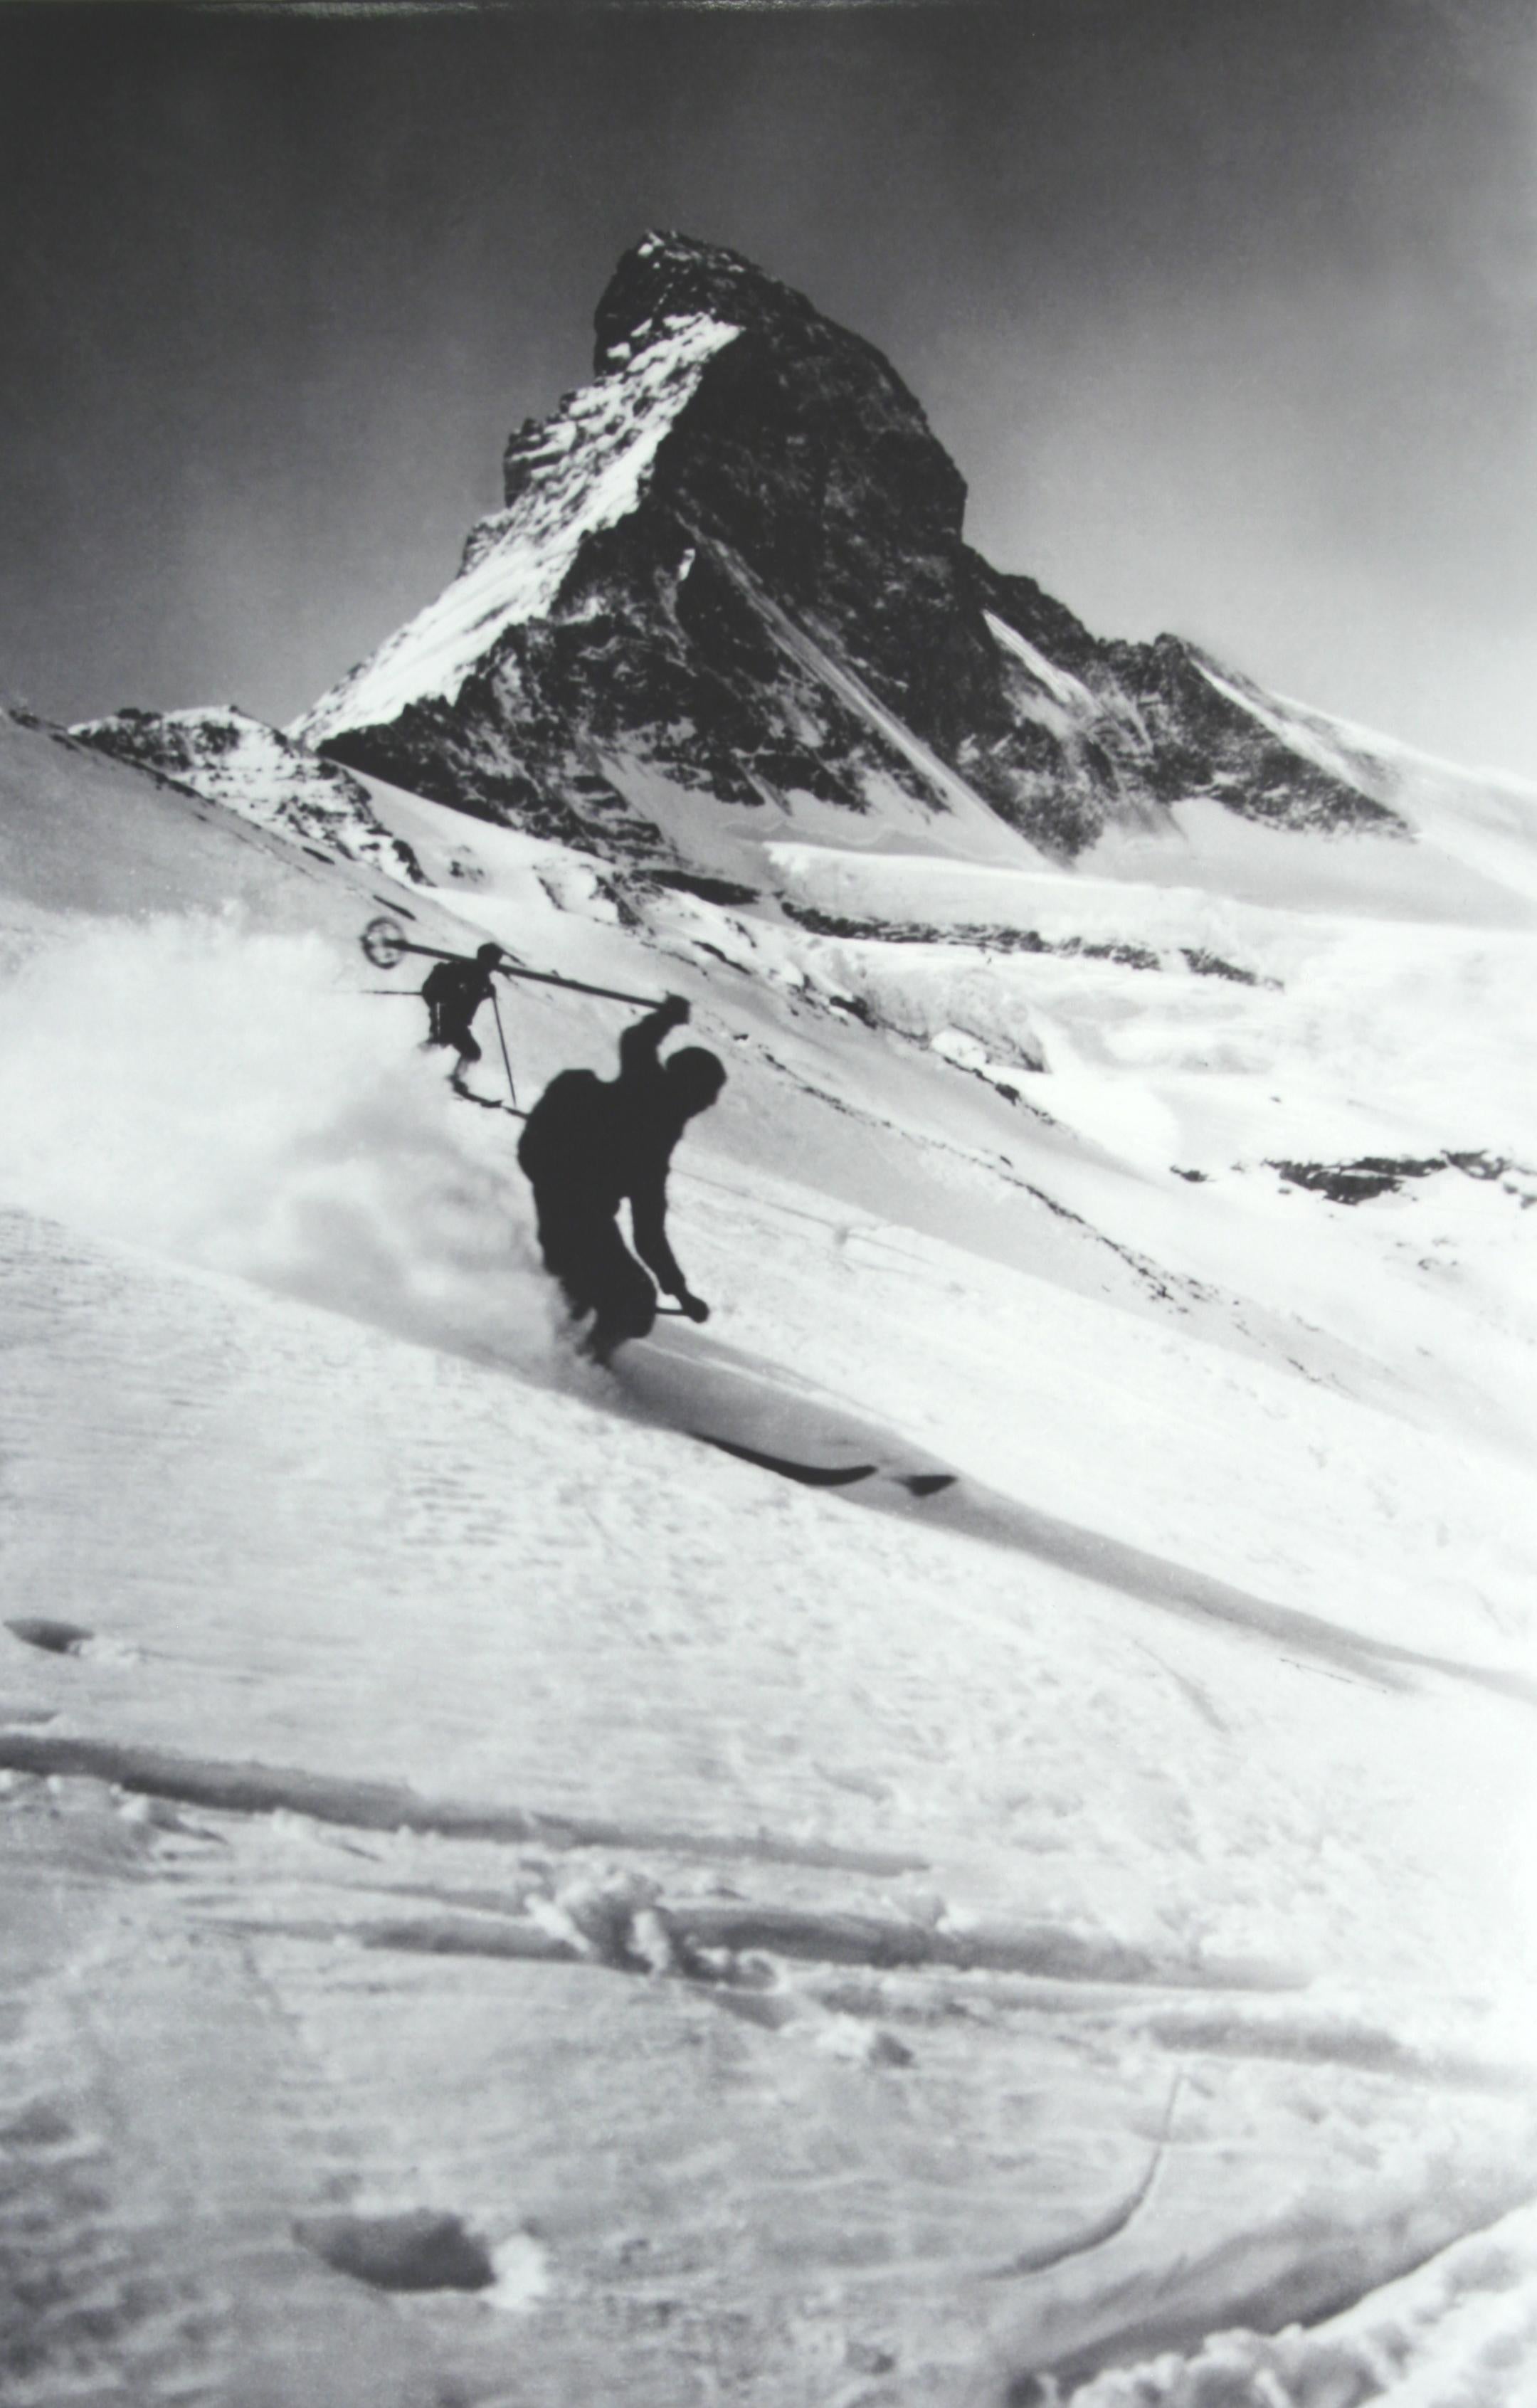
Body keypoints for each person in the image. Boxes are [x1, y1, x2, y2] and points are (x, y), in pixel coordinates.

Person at [517, 994, 725, 1362]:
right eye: (708, 1093)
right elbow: (648, 1234)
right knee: (630, 1298)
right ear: (689, 1086)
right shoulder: (649, 1097)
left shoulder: (651, 1102)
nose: (709, 1104)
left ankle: (565, 1350)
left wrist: (667, 1018)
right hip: (572, 1207)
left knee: (592, 1289)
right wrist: (679, 1292)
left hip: (571, 1204)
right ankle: (578, 1365)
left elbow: (637, 1041)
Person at [421, 942, 505, 1096]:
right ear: (486, 959)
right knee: (443, 1042)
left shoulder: (481, 977)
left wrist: (487, 994)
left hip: (455, 1020)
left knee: (469, 1051)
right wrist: (485, 993)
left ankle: (451, 1078)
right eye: (495, 961)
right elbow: (465, 996)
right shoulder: (469, 971)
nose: (496, 966)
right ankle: (412, 1063)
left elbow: (471, 998)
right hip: (447, 1016)